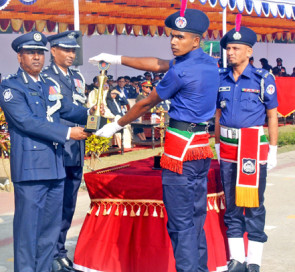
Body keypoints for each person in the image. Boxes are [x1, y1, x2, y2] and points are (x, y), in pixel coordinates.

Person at [89, 8, 219, 272]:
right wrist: (116, 58)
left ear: (196, 40)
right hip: (201, 148)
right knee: (195, 220)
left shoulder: (180, 72)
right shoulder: (207, 63)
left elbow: (147, 103)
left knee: (180, 224)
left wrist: (116, 124)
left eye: (180, 37)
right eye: (172, 36)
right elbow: (157, 63)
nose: (173, 41)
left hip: (179, 152)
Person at [0, 31, 93, 272]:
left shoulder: (48, 85)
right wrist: (67, 134)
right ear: (19, 57)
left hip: (55, 166)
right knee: (28, 232)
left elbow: (69, 109)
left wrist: (100, 119)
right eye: (30, 53)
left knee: (49, 233)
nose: (37, 58)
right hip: (31, 169)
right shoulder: (11, 86)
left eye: (39, 53)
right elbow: (27, 122)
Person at [215, 26, 278, 272]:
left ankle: (254, 260)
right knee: (231, 205)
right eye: (228, 48)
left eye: (235, 48)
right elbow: (218, 115)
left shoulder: (263, 79)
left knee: (253, 205)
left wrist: (272, 149)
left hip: (252, 148)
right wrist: (218, 144)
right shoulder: (221, 78)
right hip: (228, 149)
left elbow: (272, 116)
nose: (230, 53)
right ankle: (237, 259)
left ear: (249, 51)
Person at [43, 30, 87, 272]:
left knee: (69, 204)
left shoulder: (77, 77)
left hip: (76, 149)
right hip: (58, 147)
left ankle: (59, 251)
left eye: (73, 50)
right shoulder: (45, 77)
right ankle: (50, 253)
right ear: (53, 51)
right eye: (66, 50)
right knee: (55, 204)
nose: (71, 54)